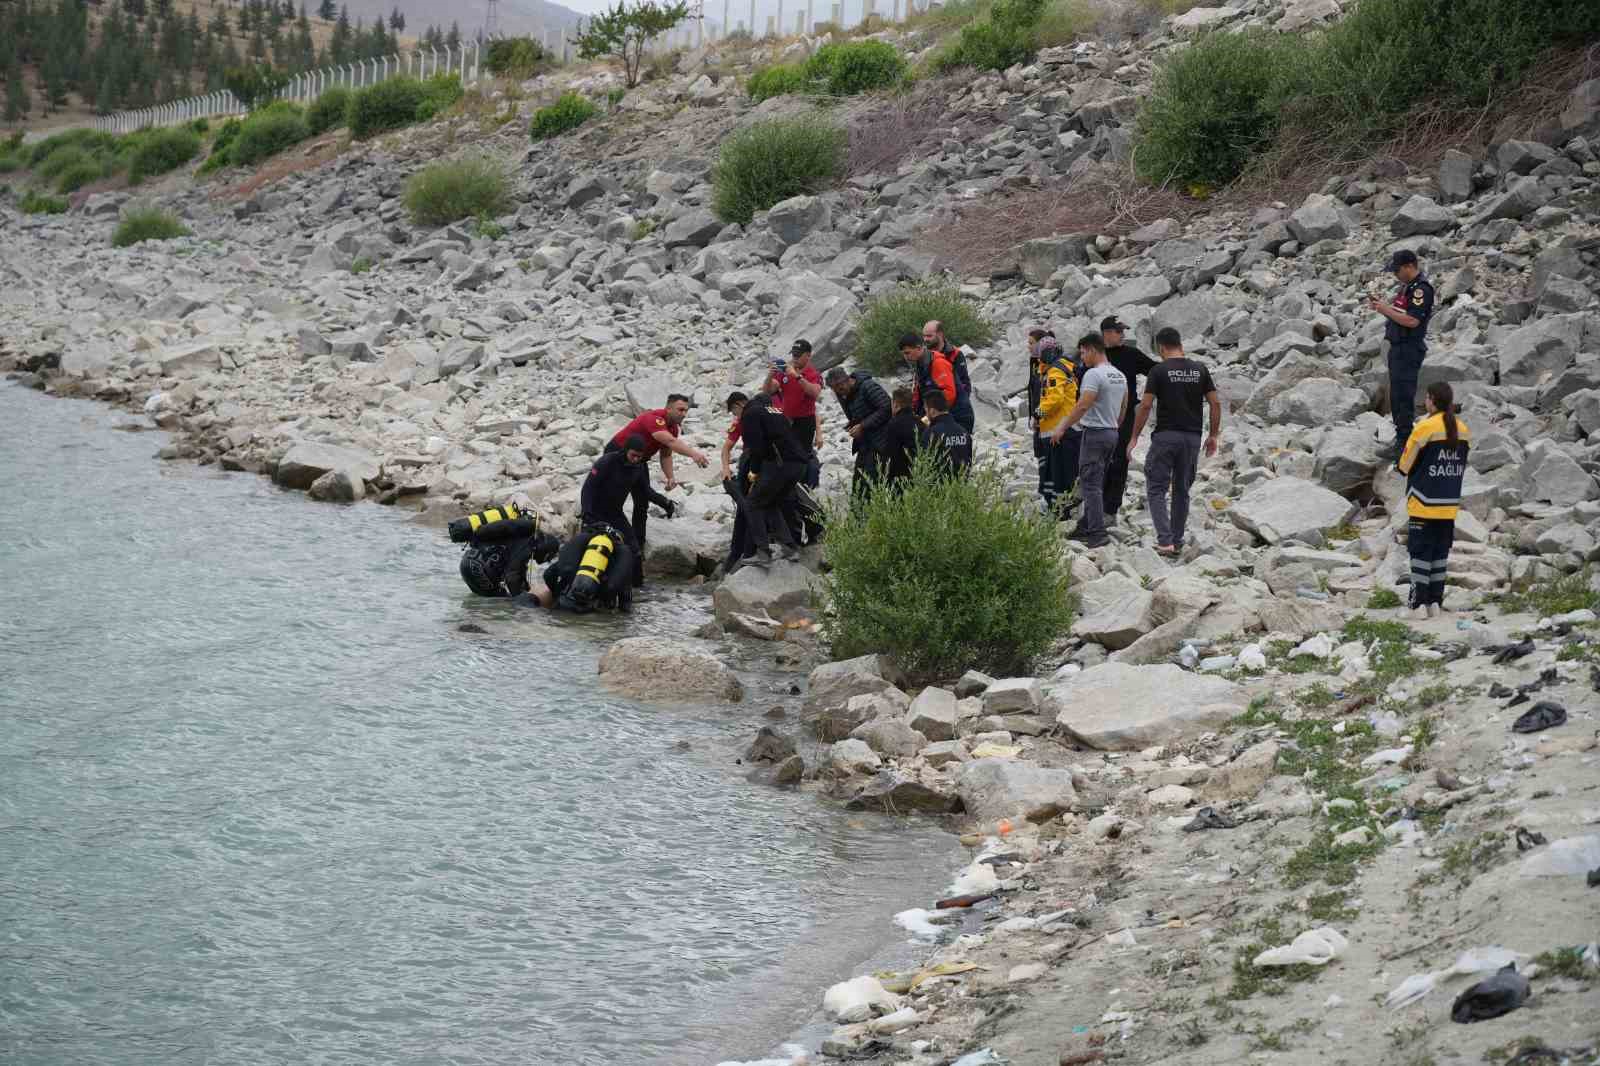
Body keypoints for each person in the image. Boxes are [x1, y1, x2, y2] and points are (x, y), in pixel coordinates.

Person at [1127, 327, 1222, 556]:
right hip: (1191, 438)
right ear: (1180, 344)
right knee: (1182, 489)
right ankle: (1177, 540)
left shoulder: (1159, 371)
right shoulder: (1200, 369)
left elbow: (1147, 405)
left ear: (1161, 348)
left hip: (1165, 437)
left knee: (1156, 488)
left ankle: (1165, 541)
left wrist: (1133, 437)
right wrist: (1213, 435)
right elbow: (1215, 403)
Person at [1398, 382, 1471, 617]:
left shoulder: (1424, 427)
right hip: (1448, 503)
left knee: (1420, 553)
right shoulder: (1462, 429)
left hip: (1423, 502)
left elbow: (1404, 466)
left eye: (1427, 398)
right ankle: (1435, 603)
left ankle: (1417, 605)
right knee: (1440, 554)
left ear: (1431, 400)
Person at [606, 394, 709, 556]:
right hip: (617, 454)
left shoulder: (674, 428)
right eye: (680, 409)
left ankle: (638, 545)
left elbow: (666, 454)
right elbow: (669, 442)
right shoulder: (654, 418)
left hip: (640, 460)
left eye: (686, 411)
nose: (684, 414)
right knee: (616, 498)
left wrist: (670, 477)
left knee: (642, 501)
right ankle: (609, 535)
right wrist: (694, 454)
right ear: (668, 408)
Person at [1051, 334, 1127, 549]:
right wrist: (1113, 425)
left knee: (1090, 484)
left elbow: (1083, 405)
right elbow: (1124, 406)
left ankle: (1096, 533)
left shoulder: (1094, 374)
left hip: (1095, 433)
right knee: (1098, 480)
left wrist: (1062, 427)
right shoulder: (1118, 375)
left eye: (1083, 352)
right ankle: (1086, 524)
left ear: (1092, 350)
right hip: (1112, 432)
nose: (1082, 357)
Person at [582, 434, 674, 586]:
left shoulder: (638, 468)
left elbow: (646, 491)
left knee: (635, 551)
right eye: (633, 455)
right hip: (594, 512)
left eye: (639, 457)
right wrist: (586, 513)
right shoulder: (608, 461)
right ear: (625, 451)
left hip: (615, 514)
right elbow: (588, 488)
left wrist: (665, 503)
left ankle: (637, 587)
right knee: (589, 549)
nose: (636, 459)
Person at [1371, 249, 1435, 461]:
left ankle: (1405, 446)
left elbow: (1412, 321)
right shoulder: (1406, 287)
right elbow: (1400, 313)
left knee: (1404, 397)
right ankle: (1401, 439)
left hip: (1409, 348)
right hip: (1398, 348)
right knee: (1396, 397)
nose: (1395, 275)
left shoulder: (1421, 290)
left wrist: (1384, 310)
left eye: (1397, 270)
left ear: (1409, 266)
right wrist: (1386, 307)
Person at [1100, 316, 1157, 526]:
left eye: (1123, 331)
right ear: (1107, 333)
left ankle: (1110, 509)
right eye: (1119, 331)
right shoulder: (1097, 356)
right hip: (1100, 415)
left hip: (1126, 418)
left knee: (1119, 460)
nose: (1123, 335)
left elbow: (1155, 370)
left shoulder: (1131, 354)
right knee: (1098, 460)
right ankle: (1094, 504)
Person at [738, 390, 805, 568]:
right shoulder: (776, 412)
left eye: (734, 411)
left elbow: (756, 446)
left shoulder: (750, 413)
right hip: (798, 465)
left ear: (740, 405)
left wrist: (753, 472)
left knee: (752, 503)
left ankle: (763, 553)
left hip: (778, 464)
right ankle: (790, 548)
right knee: (770, 503)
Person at [515, 522, 639, 613]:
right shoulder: (622, 555)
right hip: (590, 611)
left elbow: (549, 574)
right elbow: (625, 602)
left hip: (563, 603)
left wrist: (558, 593)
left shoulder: (583, 548)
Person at [454, 505, 563, 598]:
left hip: (470, 561)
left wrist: (526, 590)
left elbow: (518, 572)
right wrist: (523, 601)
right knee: (501, 602)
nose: (546, 561)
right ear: (546, 550)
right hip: (477, 566)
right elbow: (512, 575)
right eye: (549, 558)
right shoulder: (528, 545)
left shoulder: (524, 538)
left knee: (487, 602)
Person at [1030, 329, 1079, 519]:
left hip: (1057, 430)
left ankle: (1058, 510)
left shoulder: (1055, 371)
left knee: (1057, 473)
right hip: (1064, 429)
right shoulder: (1066, 368)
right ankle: (1058, 507)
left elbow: (1054, 399)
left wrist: (1037, 414)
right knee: (1058, 472)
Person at [825, 366, 893, 501]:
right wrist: (853, 425)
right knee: (859, 485)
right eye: (833, 389)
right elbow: (855, 415)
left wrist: (862, 426)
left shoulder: (868, 387)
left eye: (838, 387)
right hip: (865, 443)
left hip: (882, 442)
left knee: (870, 484)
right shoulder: (843, 394)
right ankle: (862, 517)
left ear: (846, 380)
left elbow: (887, 407)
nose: (837, 391)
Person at [765, 339, 825, 487]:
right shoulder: (785, 371)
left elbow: (815, 393)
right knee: (784, 453)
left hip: (805, 421)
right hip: (786, 420)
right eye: (794, 355)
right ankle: (786, 484)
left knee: (801, 455)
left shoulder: (813, 373)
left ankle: (803, 483)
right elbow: (768, 391)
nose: (795, 359)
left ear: (808, 356)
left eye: (798, 355)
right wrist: (770, 375)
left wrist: (797, 376)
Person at [922, 319, 976, 434]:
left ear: (940, 334)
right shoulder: (925, 357)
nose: (925, 339)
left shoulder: (955, 354)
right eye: (924, 336)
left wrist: (960, 406)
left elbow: (964, 384)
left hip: (955, 411)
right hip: (932, 411)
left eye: (929, 336)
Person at [880, 385, 922, 487]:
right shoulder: (920, 423)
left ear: (895, 404)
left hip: (899, 479)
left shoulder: (893, 425)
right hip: (919, 475)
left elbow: (889, 454)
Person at [923, 389, 972, 475]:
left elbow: (926, 465)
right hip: (962, 485)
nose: (926, 414)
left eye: (926, 410)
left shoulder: (931, 433)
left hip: (940, 486)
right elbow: (969, 462)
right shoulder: (964, 432)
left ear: (932, 411)